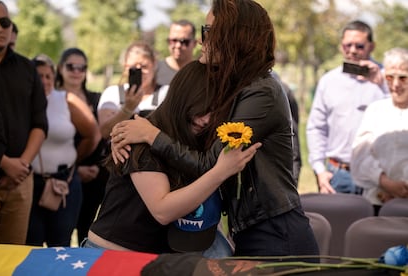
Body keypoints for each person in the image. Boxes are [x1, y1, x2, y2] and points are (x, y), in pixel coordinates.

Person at [111, 0, 319, 258]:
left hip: (275, 232)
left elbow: (210, 164)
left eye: (208, 32)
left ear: (235, 36)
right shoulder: (239, 86)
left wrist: (151, 135)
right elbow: (180, 109)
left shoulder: (261, 93)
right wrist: (129, 130)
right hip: (252, 229)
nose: (201, 41)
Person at [86, 61, 260, 256]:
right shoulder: (141, 135)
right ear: (182, 99)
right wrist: (220, 172)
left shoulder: (192, 135)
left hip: (156, 257)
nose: (207, 120)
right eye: (202, 108)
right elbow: (163, 210)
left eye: (216, 111)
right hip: (114, 255)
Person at [26, 54, 100, 247]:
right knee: (30, 244)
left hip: (65, 182)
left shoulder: (66, 100)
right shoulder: (21, 101)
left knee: (61, 245)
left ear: (54, 76)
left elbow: (92, 134)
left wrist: (75, 159)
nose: (44, 81)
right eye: (38, 76)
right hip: (29, 183)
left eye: (48, 76)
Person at [306, 20, 388, 194]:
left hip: (379, 175)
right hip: (338, 174)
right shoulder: (329, 81)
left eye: (359, 46)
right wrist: (320, 170)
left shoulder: (389, 80)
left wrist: (382, 84)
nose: (352, 51)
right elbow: (316, 128)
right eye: (347, 45)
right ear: (341, 46)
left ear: (371, 46)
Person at [0, 0, 48, 244]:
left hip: (20, 181)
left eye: (4, 22)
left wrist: (21, 165)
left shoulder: (28, 69)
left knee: (12, 257)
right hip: (3, 170)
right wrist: (4, 163)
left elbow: (40, 123)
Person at [54, 47, 107, 244]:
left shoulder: (97, 99)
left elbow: (104, 134)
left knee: (88, 233)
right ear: (60, 69)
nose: (77, 71)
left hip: (96, 176)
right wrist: (76, 169)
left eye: (81, 67)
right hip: (62, 177)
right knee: (61, 235)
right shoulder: (51, 99)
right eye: (71, 67)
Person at [351, 47, 408, 215]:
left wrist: (402, 190)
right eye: (390, 77)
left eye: (403, 78)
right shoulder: (375, 110)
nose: (395, 84)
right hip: (379, 202)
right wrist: (385, 183)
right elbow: (360, 156)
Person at [98, 41, 169, 139]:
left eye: (144, 67)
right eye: (134, 68)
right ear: (125, 67)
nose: (140, 72)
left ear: (154, 64)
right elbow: (105, 132)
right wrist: (127, 109)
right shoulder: (112, 93)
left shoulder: (166, 93)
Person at [156, 19, 197, 85]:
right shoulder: (154, 70)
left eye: (184, 41)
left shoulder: (202, 72)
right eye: (173, 40)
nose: (178, 45)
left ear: (194, 43)